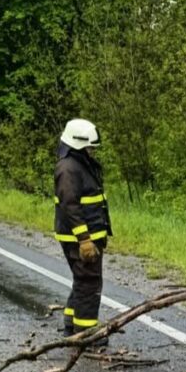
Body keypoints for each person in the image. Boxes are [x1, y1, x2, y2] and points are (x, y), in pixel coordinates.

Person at [54, 119, 112, 346]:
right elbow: (71, 207)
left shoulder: (80, 164)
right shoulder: (68, 169)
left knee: (82, 279)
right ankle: (86, 334)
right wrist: (85, 239)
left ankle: (71, 324)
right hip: (80, 238)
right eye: (89, 147)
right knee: (89, 282)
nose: (92, 151)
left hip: (88, 235)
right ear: (76, 144)